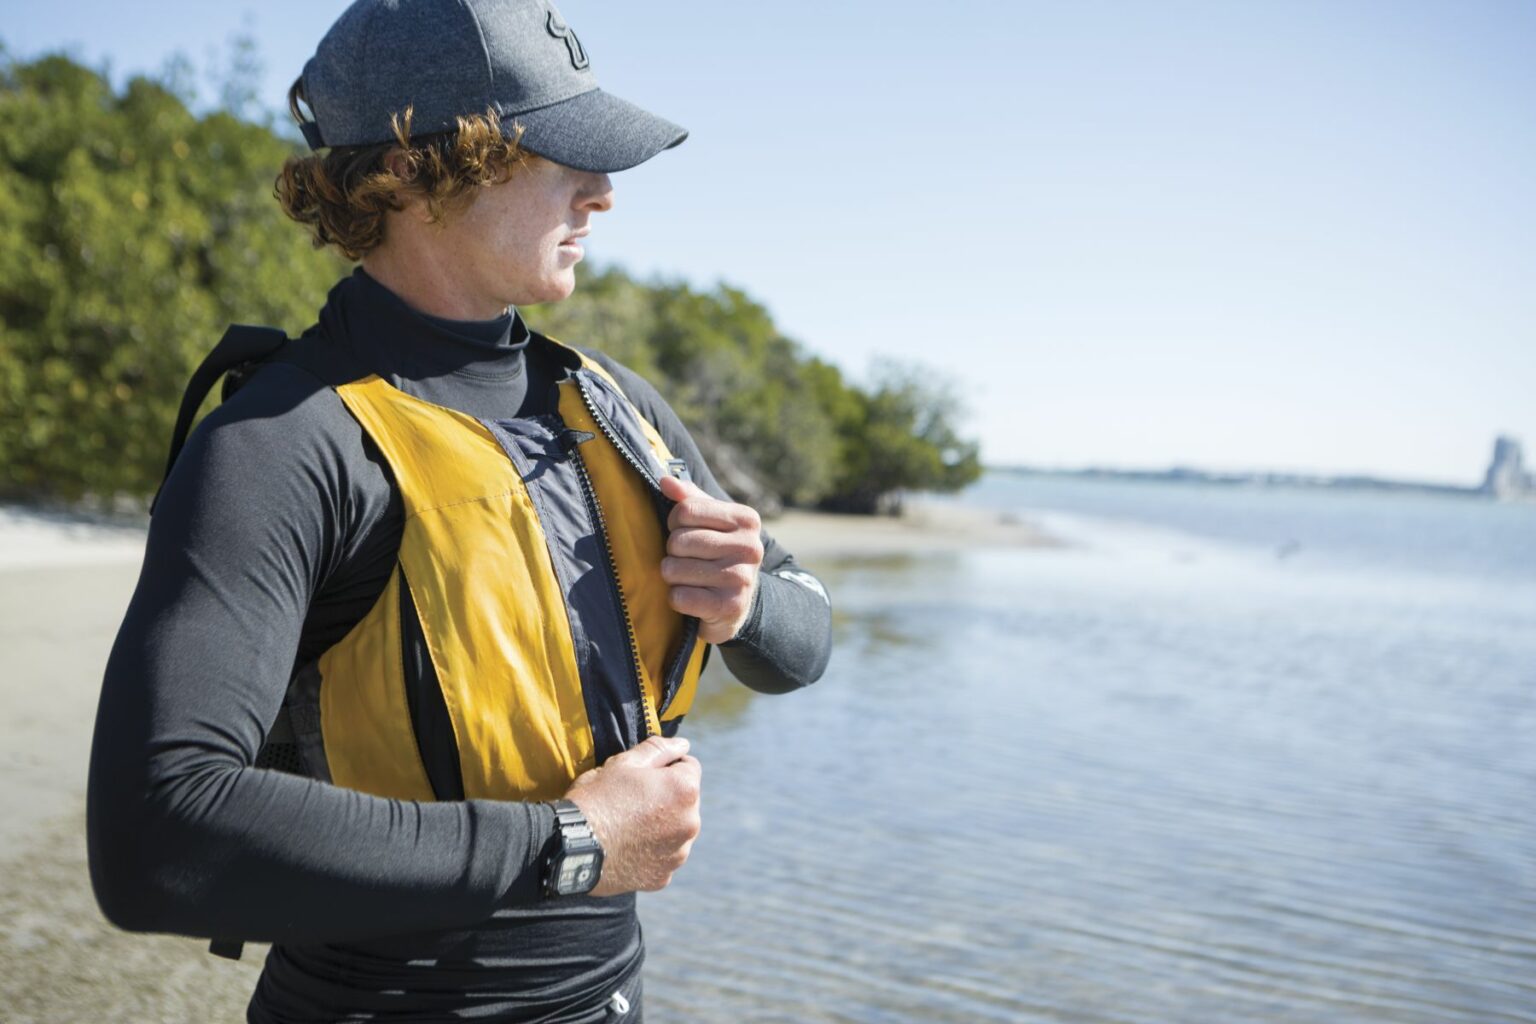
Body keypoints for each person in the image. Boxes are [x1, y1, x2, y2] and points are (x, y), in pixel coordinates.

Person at [85, 2, 833, 1021]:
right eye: (560, 153)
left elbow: (801, 642)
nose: (603, 193)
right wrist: (570, 842)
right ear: (410, 169)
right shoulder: (284, 444)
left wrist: (745, 604)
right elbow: (155, 838)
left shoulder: (612, 408)